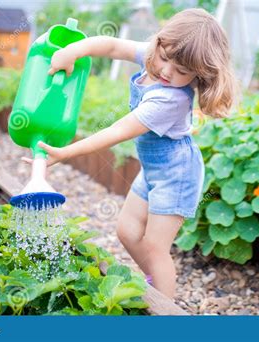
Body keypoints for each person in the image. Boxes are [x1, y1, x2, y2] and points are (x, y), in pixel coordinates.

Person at [22, 8, 239, 299]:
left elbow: (117, 132)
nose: (166, 72)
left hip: (177, 176)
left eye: (182, 72)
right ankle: (154, 282)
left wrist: (65, 152)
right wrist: (72, 51)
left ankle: (165, 310)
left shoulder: (169, 99)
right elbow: (111, 46)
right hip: (153, 170)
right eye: (164, 58)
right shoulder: (155, 58)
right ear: (161, 44)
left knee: (155, 247)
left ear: (198, 74)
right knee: (126, 231)